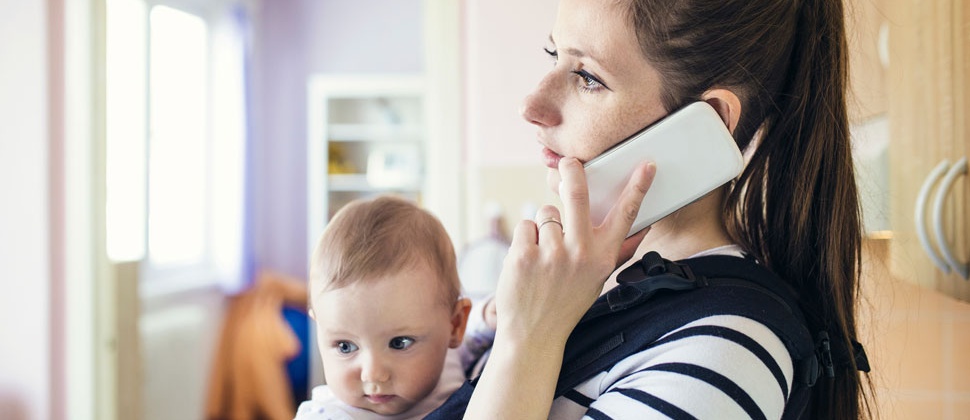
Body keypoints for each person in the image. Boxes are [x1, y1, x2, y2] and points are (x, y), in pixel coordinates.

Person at [460, 0, 875, 418]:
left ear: (709, 121)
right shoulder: (571, 281)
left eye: (588, 77)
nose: (530, 106)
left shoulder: (724, 351)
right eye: (554, 55)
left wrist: (529, 338)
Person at [295, 195, 496, 420]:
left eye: (399, 343)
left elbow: (469, 342)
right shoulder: (328, 415)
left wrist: (488, 318)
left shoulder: (444, 357)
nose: (373, 374)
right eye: (345, 347)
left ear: (454, 325)